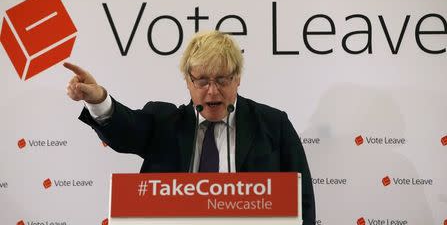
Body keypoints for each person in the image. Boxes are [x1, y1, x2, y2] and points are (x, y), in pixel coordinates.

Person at [64, 30, 316, 223]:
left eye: (222, 79)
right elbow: (125, 129)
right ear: (188, 81)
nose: (213, 90)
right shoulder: (164, 122)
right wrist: (98, 99)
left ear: (238, 78)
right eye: (202, 81)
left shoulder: (273, 124)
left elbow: (301, 201)